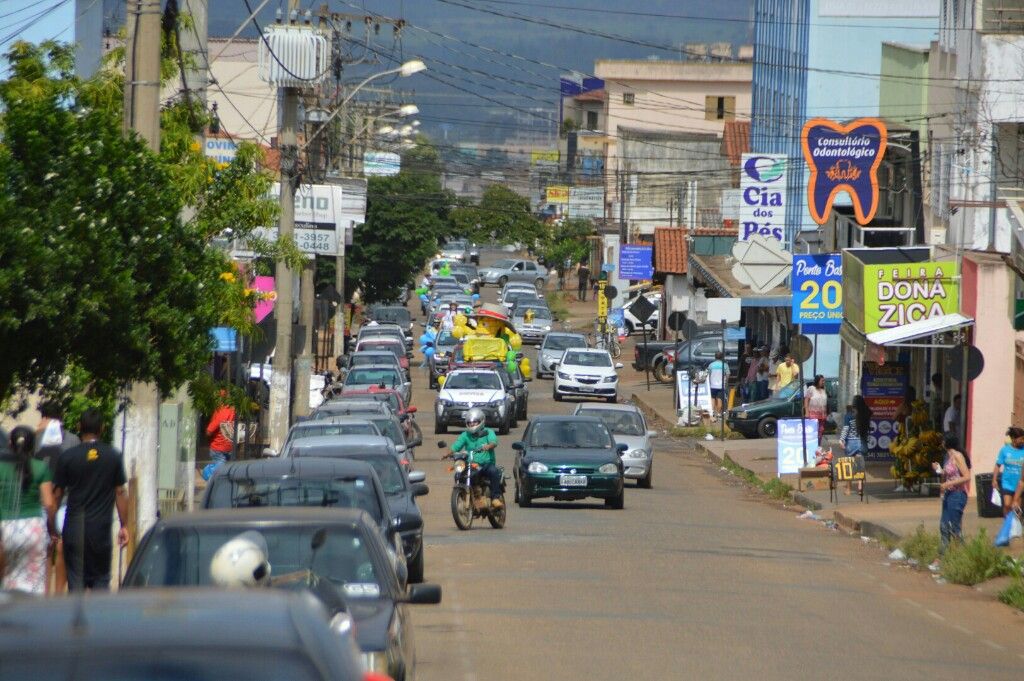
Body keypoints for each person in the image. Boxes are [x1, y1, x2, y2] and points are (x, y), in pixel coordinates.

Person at [50, 409, 129, 591]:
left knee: (75, 581)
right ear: (102, 428)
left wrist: (52, 525)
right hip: (100, 531)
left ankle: (75, 618)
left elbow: (56, 495)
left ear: (79, 427)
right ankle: (98, 617)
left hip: (74, 529)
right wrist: (124, 525)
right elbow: (120, 492)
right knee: (101, 580)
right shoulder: (113, 456)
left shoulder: (67, 457)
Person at [0, 427, 55, 593]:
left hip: (5, 529)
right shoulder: (40, 467)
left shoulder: (1, 467)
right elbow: (49, 503)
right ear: (33, 446)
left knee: (6, 582)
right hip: (33, 529)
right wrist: (53, 530)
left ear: (10, 444)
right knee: (34, 584)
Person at [444, 408, 502, 508]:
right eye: (469, 423)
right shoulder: (465, 435)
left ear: (481, 421)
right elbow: (456, 447)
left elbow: (494, 442)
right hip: (471, 464)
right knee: (459, 475)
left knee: (494, 472)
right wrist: (447, 454)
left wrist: (488, 446)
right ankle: (468, 496)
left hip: (486, 464)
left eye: (474, 422)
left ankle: (495, 498)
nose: (472, 425)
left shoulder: (488, 432)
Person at [932, 432, 970, 564]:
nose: (941, 443)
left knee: (954, 528)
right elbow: (947, 475)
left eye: (943, 440)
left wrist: (949, 483)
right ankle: (942, 556)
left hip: (958, 495)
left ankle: (965, 557)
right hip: (949, 494)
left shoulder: (958, 456)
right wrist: (939, 470)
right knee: (944, 525)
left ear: (947, 442)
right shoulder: (947, 457)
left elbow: (966, 476)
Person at [839, 396, 871, 495]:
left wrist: (841, 440)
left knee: (849, 466)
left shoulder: (849, 416)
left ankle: (848, 489)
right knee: (860, 465)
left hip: (851, 444)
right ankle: (860, 486)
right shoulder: (866, 415)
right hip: (862, 443)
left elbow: (845, 429)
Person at [994, 426, 1024, 517]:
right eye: (1021, 439)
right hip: (1007, 483)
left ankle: (1016, 527)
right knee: (1007, 505)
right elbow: (997, 465)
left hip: (1020, 484)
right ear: (1014, 439)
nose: (1023, 441)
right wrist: (994, 479)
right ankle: (1007, 524)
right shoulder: (1005, 450)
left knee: (1016, 508)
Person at [205, 392, 236, 478]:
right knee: (225, 475)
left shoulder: (222, 412)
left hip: (219, 448)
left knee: (219, 477)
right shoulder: (233, 410)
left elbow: (209, 431)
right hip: (229, 448)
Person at [804, 375, 828, 440]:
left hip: (822, 415)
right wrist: (806, 412)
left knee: (820, 432)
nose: (823, 382)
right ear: (817, 381)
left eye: (824, 381)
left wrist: (825, 413)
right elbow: (806, 400)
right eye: (822, 381)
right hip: (813, 415)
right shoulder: (811, 388)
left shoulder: (823, 390)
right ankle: (813, 446)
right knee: (814, 432)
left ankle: (818, 447)